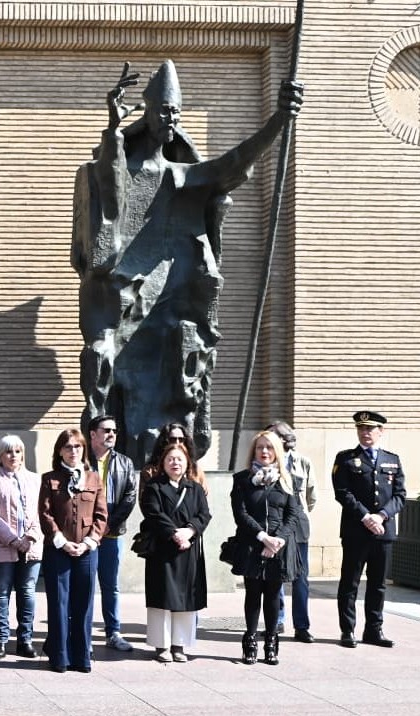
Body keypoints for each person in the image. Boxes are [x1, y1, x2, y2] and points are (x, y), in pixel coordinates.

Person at [74, 60, 302, 464]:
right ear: (146, 112)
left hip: (173, 296)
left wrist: (278, 121)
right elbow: (110, 182)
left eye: (175, 112)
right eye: (163, 110)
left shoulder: (182, 175)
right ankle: (107, 455)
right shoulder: (127, 166)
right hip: (123, 298)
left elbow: (231, 166)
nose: (169, 118)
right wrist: (112, 129)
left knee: (176, 386)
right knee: (103, 366)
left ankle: (168, 458)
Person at [229, 431, 303, 664]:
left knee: (273, 594)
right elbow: (240, 514)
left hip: (279, 547)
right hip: (253, 544)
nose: (264, 452)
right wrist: (263, 538)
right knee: (253, 593)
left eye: (269, 448)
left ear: (276, 452)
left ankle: (271, 641)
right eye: (260, 448)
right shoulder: (242, 479)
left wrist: (277, 539)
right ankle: (250, 641)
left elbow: (293, 515)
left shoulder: (288, 479)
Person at [333, 410, 406, 649]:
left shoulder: (392, 459)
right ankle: (348, 630)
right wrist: (366, 516)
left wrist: (382, 515)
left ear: (380, 431)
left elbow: (400, 495)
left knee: (378, 584)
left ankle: (374, 630)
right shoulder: (345, 459)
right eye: (361, 429)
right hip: (356, 531)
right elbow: (343, 493)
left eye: (370, 429)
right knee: (350, 583)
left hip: (383, 532)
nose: (365, 433)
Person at [39, 429, 108, 672]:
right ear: (60, 451)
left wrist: (89, 542)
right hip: (58, 550)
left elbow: (101, 516)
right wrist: (61, 541)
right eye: (68, 447)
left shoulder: (93, 479)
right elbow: (45, 514)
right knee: (59, 604)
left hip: (87, 551)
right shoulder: (50, 478)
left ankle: (82, 657)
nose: (73, 452)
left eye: (77, 447)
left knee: (84, 604)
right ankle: (60, 657)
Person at [138, 440, 211, 662]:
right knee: (162, 598)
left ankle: (179, 645)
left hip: (188, 551)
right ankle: (161, 646)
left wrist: (190, 532)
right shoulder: (154, 487)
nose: (174, 463)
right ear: (163, 463)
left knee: (185, 599)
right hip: (162, 551)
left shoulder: (195, 488)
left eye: (179, 459)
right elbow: (153, 513)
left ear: (187, 462)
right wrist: (174, 533)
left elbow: (204, 515)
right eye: (170, 459)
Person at [0, 435, 43, 659]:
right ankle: (0, 640)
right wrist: (12, 539)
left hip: (31, 547)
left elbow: (43, 512)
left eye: (18, 451)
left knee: (27, 592)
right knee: (1, 593)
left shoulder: (35, 480)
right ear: (0, 456)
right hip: (2, 546)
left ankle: (25, 640)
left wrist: (29, 537)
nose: (14, 456)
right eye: (9, 452)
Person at [88, 414, 138, 651]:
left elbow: (129, 497)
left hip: (111, 533)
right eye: (106, 430)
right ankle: (81, 631)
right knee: (84, 585)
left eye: (114, 431)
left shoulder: (125, 462)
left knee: (110, 585)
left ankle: (113, 633)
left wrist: (108, 524)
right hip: (84, 534)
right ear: (93, 434)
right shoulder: (81, 458)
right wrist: (91, 528)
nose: (111, 434)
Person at [270, 420, 316, 643]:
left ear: (285, 440)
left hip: (298, 527)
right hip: (275, 527)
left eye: (274, 437)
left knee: (300, 578)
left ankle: (302, 626)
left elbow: (311, 496)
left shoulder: (303, 462)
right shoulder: (267, 462)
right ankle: (277, 620)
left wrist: (297, 513)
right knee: (275, 575)